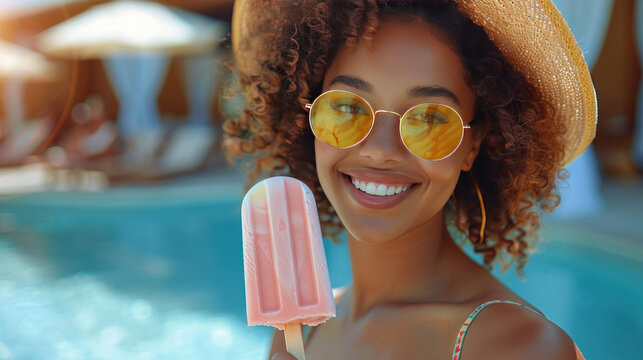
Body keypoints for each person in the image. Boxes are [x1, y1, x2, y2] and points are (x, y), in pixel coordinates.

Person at [226, 0, 596, 359]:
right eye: (345, 107)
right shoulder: (297, 334)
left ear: (473, 144)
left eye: (430, 119)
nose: (380, 149)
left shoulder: (515, 347)